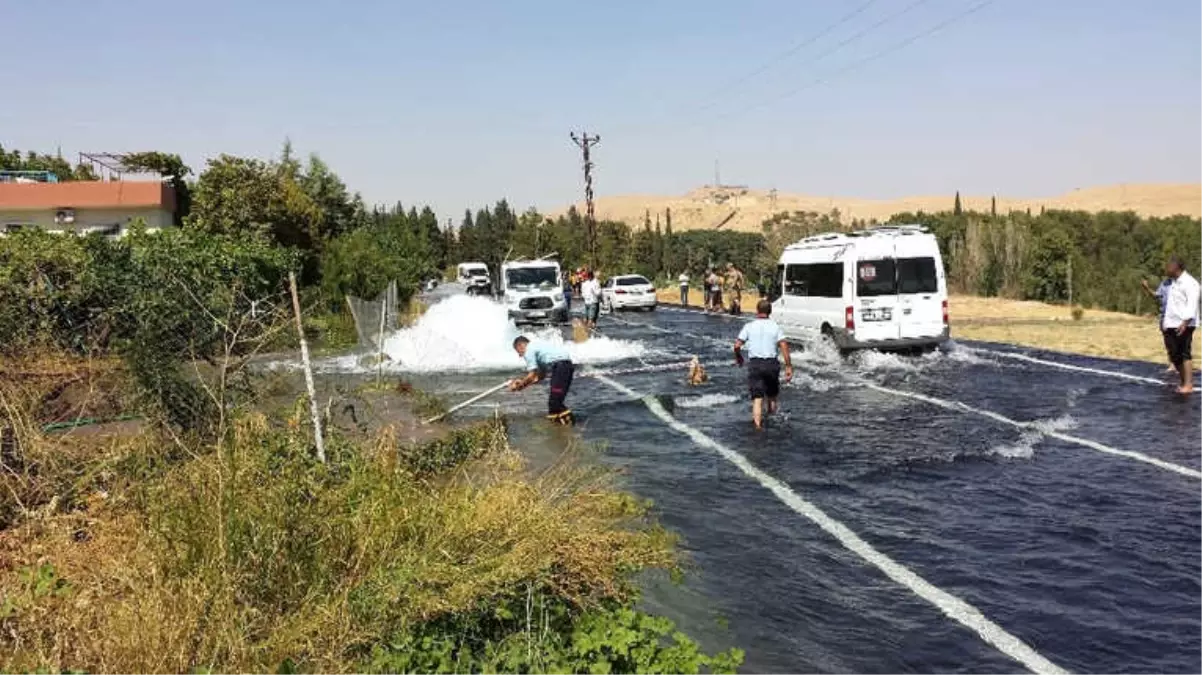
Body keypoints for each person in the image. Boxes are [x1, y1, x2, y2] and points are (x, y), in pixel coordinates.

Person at [733, 299, 794, 430]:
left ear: (757, 311)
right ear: (770, 312)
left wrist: (739, 357)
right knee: (772, 396)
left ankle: (758, 427)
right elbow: (783, 345)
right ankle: (771, 421)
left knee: (757, 399)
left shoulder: (749, 326)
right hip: (771, 364)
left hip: (755, 364)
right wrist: (788, 366)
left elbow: (737, 345)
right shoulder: (775, 326)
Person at [510, 335, 575, 424]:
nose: (520, 355)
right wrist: (522, 385)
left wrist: (520, 384)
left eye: (519, 352)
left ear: (521, 345)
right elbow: (540, 376)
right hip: (567, 366)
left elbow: (532, 375)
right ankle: (565, 428)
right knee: (556, 401)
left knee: (554, 403)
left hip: (560, 368)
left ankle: (562, 428)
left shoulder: (529, 350)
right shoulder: (539, 347)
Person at [1160, 256, 1199, 394]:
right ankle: (1182, 381)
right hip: (1171, 323)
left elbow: (1192, 304)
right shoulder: (1173, 283)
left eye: (1169, 266)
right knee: (1174, 354)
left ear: (1177, 267)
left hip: (1185, 324)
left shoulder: (1190, 283)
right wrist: (1166, 323)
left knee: (1184, 353)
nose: (1166, 268)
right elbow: (1170, 305)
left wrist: (1185, 322)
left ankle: (1188, 384)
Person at [1142, 276, 1176, 371]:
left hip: (1177, 317)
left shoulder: (1181, 283)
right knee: (1168, 342)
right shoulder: (1164, 283)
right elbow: (1156, 295)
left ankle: (1181, 365)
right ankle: (1172, 364)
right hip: (1165, 316)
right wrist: (1146, 288)